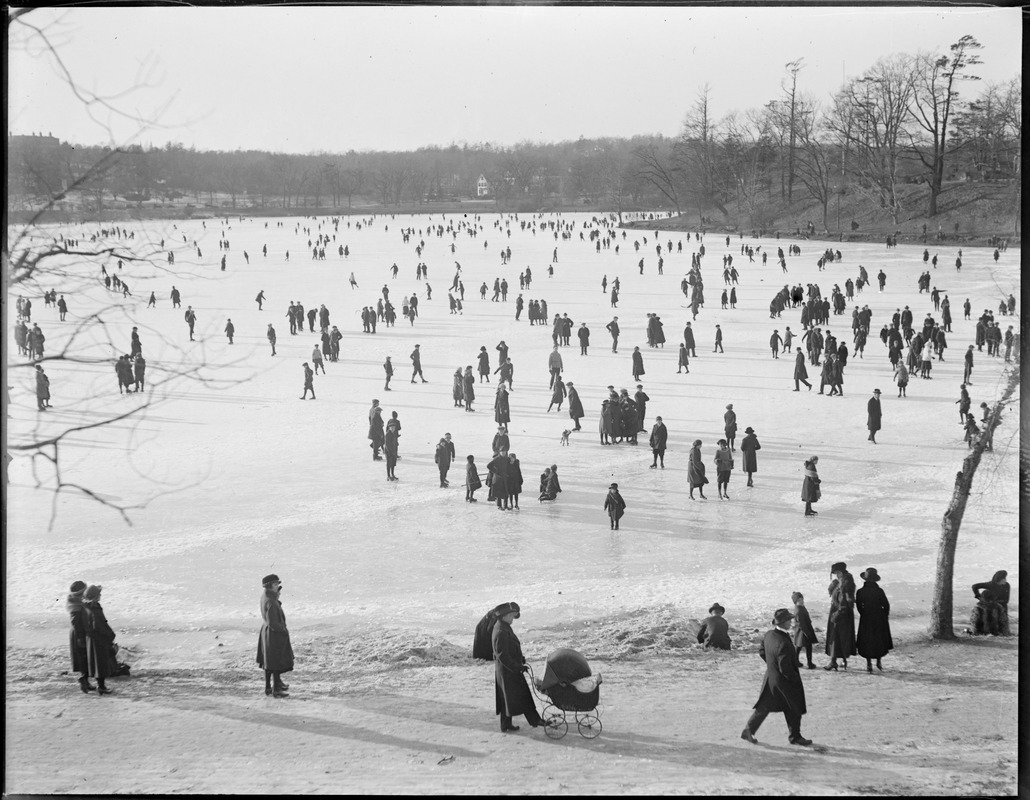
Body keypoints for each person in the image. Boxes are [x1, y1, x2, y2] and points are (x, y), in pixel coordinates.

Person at [740, 608, 812, 747]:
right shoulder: (783, 642)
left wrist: (771, 666)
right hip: (784, 681)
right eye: (789, 620)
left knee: (765, 706)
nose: (791, 622)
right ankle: (795, 737)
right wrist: (794, 679)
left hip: (771, 678)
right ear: (783, 623)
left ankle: (748, 730)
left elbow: (762, 651)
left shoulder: (769, 635)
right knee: (794, 706)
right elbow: (785, 667)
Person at [491, 602, 543, 732]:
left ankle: (506, 724)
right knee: (523, 696)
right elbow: (503, 656)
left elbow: (508, 650)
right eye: (511, 615)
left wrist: (520, 660)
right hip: (508, 672)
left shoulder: (503, 626)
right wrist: (517, 667)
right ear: (504, 616)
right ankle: (535, 720)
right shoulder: (501, 632)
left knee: (506, 699)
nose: (513, 618)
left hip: (507, 671)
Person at [257, 574, 293, 697]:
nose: (278, 586)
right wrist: (283, 629)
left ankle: (269, 687)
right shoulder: (271, 601)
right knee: (276, 662)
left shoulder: (266, 596)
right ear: (271, 585)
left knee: (269, 662)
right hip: (274, 635)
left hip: (266, 632)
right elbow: (274, 623)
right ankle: (276, 689)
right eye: (276, 584)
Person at [856, 568, 893, 672]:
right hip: (879, 617)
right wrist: (884, 616)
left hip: (866, 618)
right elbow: (886, 605)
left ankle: (868, 664)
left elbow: (859, 607)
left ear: (865, 579)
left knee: (867, 640)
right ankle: (878, 661)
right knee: (878, 640)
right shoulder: (879, 591)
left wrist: (864, 614)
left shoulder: (860, 591)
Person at [82, 584, 117, 695]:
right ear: (95, 596)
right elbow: (100, 624)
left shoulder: (85, 607)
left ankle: (95, 684)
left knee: (95, 662)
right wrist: (111, 635)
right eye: (99, 594)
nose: (100, 595)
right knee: (101, 663)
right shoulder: (95, 608)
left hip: (91, 638)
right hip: (99, 639)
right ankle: (101, 687)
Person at [824, 562, 857, 671]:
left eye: (836, 573)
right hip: (843, 614)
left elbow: (844, 602)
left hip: (840, 614)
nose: (836, 575)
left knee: (836, 638)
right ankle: (843, 660)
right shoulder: (843, 582)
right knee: (842, 638)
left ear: (840, 572)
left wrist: (837, 614)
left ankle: (833, 662)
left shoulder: (845, 584)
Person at [67, 580, 95, 693]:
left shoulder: (75, 601)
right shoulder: (76, 605)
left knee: (84, 657)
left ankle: (86, 681)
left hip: (79, 632)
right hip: (79, 633)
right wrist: (80, 637)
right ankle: (83, 679)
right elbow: (76, 622)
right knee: (83, 657)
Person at [972, 570, 1011, 635]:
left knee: (1003, 622)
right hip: (990, 606)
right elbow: (974, 586)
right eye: (1004, 578)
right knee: (990, 621)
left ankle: (1004, 633)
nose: (1005, 580)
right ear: (999, 579)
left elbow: (1006, 600)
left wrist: (999, 603)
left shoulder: (1007, 585)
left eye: (1005, 578)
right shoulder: (990, 584)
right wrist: (979, 597)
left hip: (1002, 605)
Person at [790, 592, 818, 669]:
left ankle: (796, 661)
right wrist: (807, 633)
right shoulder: (799, 610)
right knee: (806, 646)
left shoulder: (801, 607)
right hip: (802, 632)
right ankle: (809, 663)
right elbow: (801, 624)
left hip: (802, 631)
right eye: (799, 599)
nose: (802, 601)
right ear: (795, 601)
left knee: (799, 646)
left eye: (802, 599)